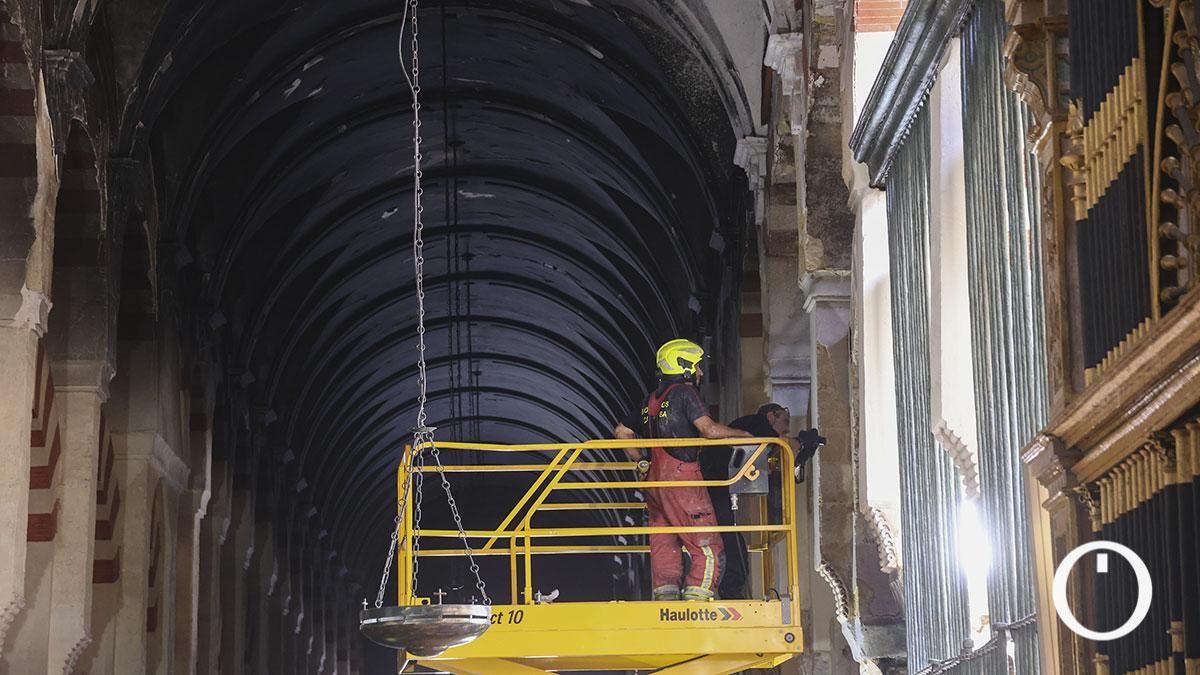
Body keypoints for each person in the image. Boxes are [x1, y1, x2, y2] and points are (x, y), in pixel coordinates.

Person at [613, 338, 751, 601]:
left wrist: (641, 462)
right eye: (696, 366)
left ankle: (667, 598)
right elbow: (709, 430)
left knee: (664, 541)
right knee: (708, 547)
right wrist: (743, 435)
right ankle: (696, 600)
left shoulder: (650, 400)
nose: (700, 372)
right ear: (683, 366)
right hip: (682, 479)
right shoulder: (685, 393)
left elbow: (621, 431)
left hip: (654, 481)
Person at [700, 402, 792, 600]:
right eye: (784, 421)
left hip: (715, 482)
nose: (786, 429)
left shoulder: (750, 425)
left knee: (729, 536)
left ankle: (730, 587)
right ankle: (731, 589)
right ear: (771, 416)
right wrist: (799, 442)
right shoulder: (758, 425)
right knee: (730, 538)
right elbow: (781, 443)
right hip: (715, 482)